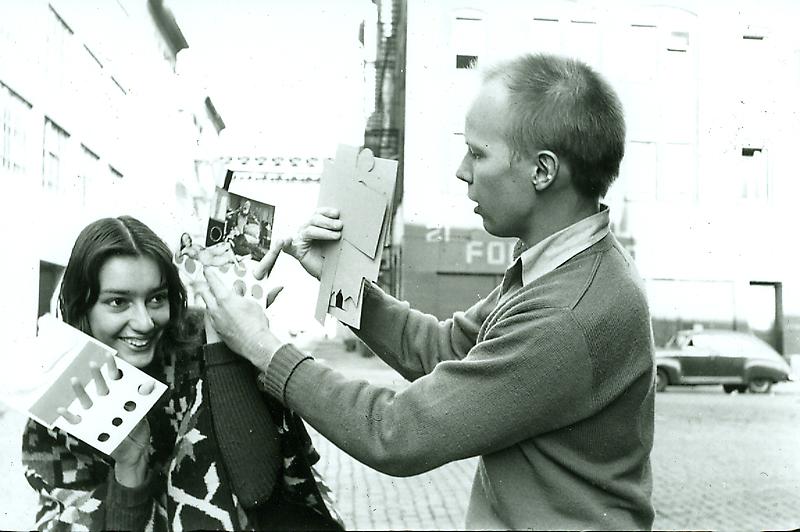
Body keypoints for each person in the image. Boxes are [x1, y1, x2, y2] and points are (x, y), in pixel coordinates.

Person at [201, 53, 656, 530]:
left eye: (478, 153)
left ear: (543, 171)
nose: (462, 171)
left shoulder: (566, 310)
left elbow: (397, 433)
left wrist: (260, 345)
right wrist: (341, 279)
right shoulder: (558, 265)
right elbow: (443, 349)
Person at [22, 216, 344, 531]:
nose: (145, 322)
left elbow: (258, 489)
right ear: (82, 308)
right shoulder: (63, 406)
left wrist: (229, 349)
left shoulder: (206, 347)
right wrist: (130, 468)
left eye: (156, 298)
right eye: (118, 302)